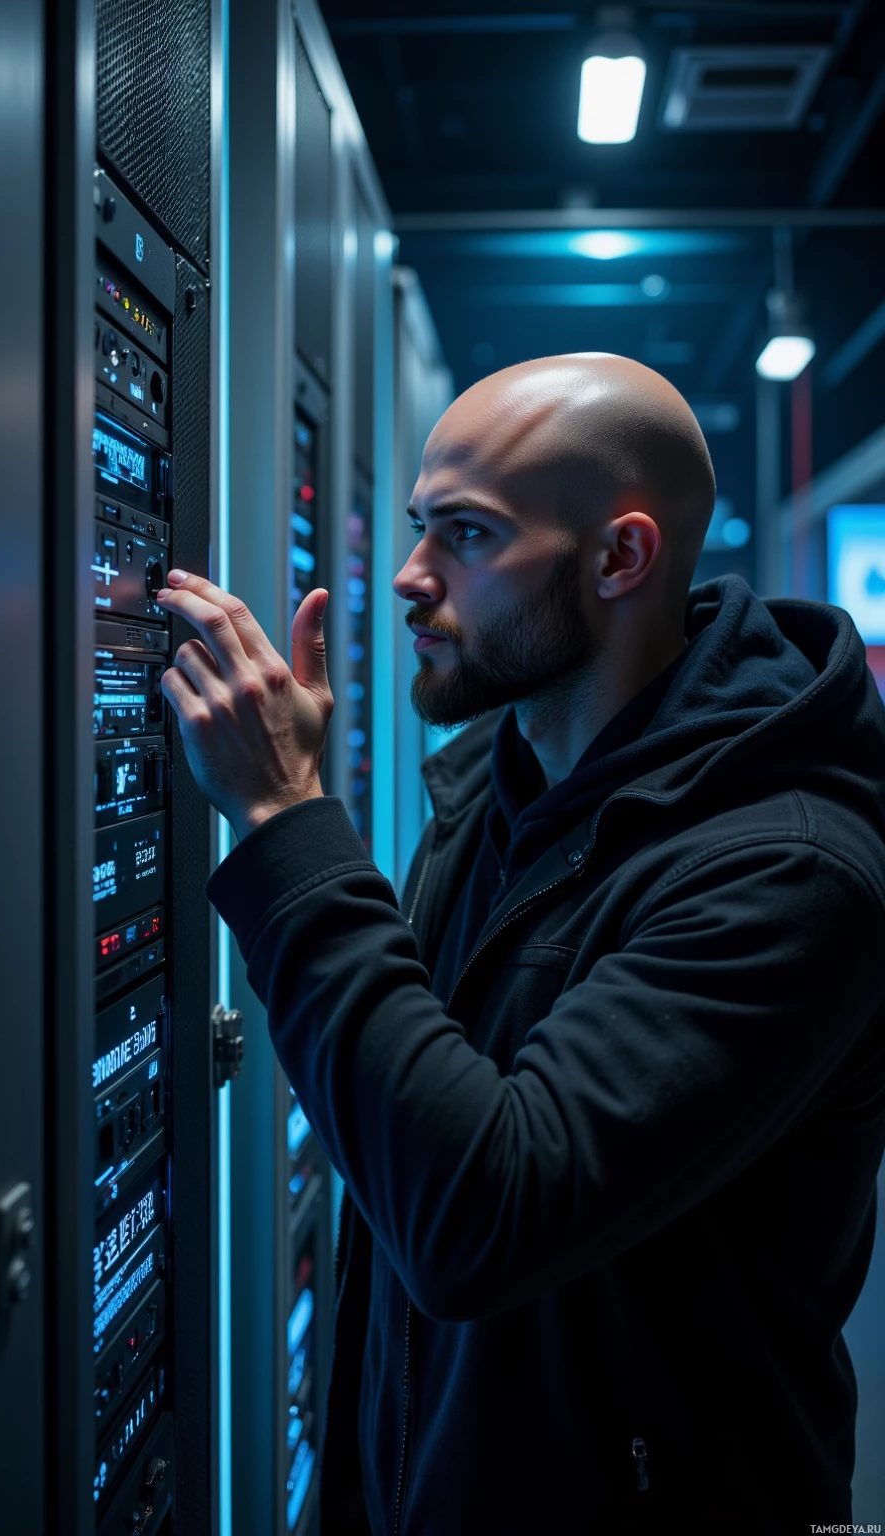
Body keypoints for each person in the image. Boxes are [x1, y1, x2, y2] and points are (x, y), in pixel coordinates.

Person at [155, 353, 885, 1533]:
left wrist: (286, 823)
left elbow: (477, 1216)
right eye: (416, 527)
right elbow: (401, 1161)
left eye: (466, 535)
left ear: (619, 558)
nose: (407, 577)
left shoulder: (790, 872)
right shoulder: (497, 795)